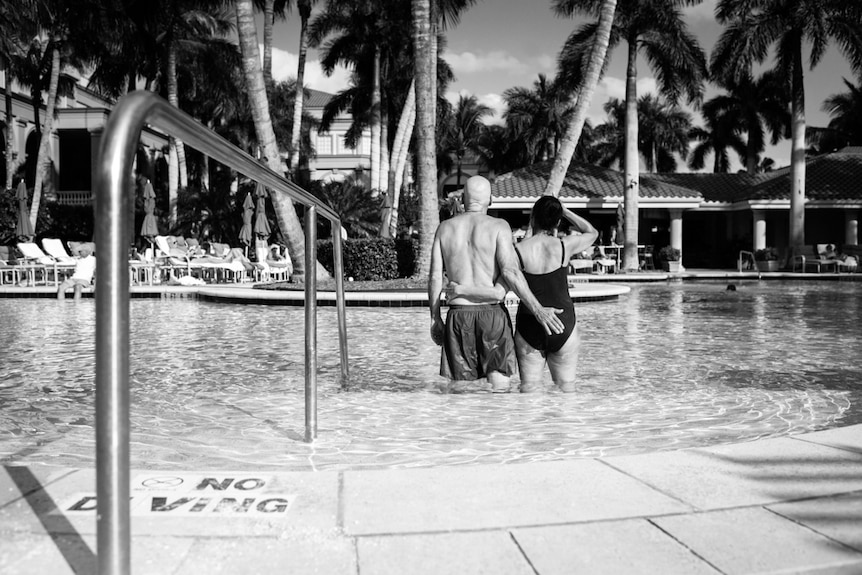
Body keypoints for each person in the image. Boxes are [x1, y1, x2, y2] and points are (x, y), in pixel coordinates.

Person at [428, 175, 565, 393]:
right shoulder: (499, 226)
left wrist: (435, 318)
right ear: (490, 200)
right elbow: (510, 271)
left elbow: (435, 276)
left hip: (458, 315)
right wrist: (538, 309)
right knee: (500, 387)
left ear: (463, 199)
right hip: (492, 316)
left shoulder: (444, 229)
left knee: (460, 392)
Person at [449, 195, 598, 393]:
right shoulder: (565, 246)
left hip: (530, 326)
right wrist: (565, 210)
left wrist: (461, 289)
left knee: (529, 391)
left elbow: (498, 293)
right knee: (566, 390)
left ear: (532, 218)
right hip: (564, 324)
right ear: (558, 221)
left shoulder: (517, 251)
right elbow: (592, 232)